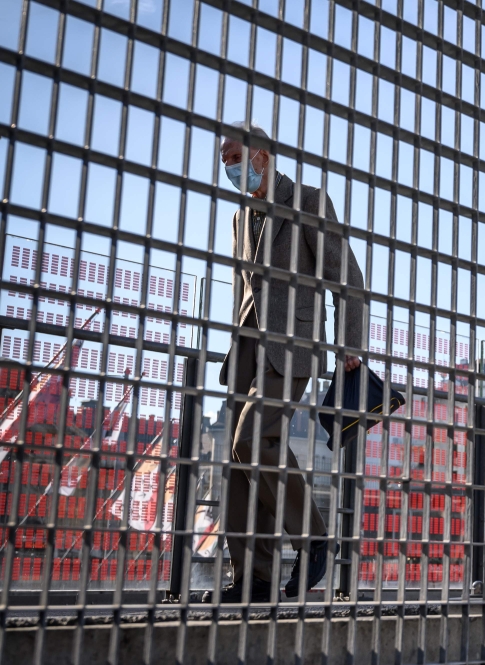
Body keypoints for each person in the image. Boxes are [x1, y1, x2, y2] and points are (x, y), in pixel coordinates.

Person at [204, 121, 364, 603]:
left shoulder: (309, 201)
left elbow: (349, 279)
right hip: (248, 353)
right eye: (224, 161)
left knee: (253, 440)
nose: (229, 168)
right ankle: (255, 577)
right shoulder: (240, 218)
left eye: (235, 158)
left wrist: (348, 344)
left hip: (291, 346)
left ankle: (314, 535)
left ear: (262, 156)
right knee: (235, 462)